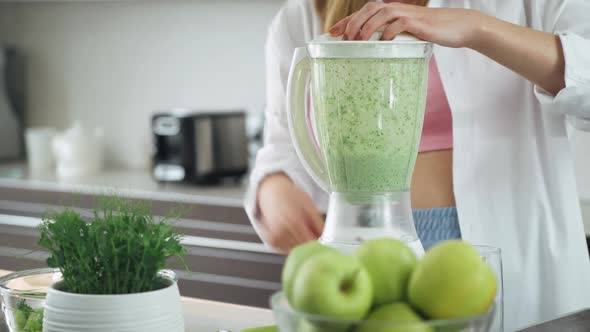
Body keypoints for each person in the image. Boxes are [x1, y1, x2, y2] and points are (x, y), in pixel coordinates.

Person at [244, 0, 590, 330]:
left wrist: (479, 29)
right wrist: (273, 189)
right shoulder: (301, 15)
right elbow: (281, 144)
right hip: (364, 258)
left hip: (505, 255)